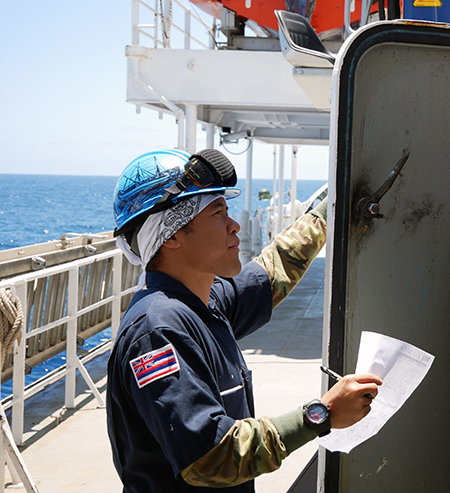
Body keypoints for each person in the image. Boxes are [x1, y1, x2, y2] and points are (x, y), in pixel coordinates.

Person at [106, 148, 382, 493]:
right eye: (218, 212)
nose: (234, 224)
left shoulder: (203, 302)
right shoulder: (158, 331)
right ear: (172, 236)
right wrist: (321, 415)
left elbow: (274, 269)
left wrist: (333, 206)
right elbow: (209, 456)